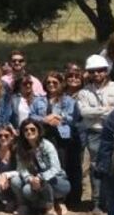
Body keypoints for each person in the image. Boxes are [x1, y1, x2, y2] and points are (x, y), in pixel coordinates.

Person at [77, 54, 114, 215]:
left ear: (106, 71)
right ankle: (97, 201)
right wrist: (104, 109)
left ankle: (112, 201)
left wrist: (97, 112)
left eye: (100, 71)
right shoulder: (84, 92)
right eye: (92, 71)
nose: (96, 74)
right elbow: (83, 112)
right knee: (96, 167)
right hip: (94, 133)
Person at [30, 71, 82, 207]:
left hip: (62, 138)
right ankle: (47, 196)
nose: (51, 85)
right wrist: (44, 119)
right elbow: (31, 116)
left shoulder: (68, 100)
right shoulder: (38, 100)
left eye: (55, 82)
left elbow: (74, 118)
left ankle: (62, 199)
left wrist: (59, 117)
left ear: (61, 84)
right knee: (44, 166)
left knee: (61, 167)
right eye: (48, 82)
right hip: (43, 137)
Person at [13, 119, 70, 215]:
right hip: (34, 182)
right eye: (26, 130)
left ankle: (51, 209)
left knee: (43, 181)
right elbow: (21, 168)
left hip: (57, 182)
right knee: (21, 185)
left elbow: (56, 168)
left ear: (38, 131)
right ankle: (31, 207)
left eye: (32, 129)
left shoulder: (47, 145)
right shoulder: (21, 149)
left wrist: (40, 177)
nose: (29, 132)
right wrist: (30, 178)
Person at [0, 124, 20, 211]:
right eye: (0, 136)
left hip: (18, 181)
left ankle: (22, 203)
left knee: (15, 181)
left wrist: (6, 175)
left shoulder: (17, 151)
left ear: (12, 137)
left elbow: (21, 170)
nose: (3, 138)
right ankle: (10, 201)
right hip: (4, 183)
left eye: (6, 135)